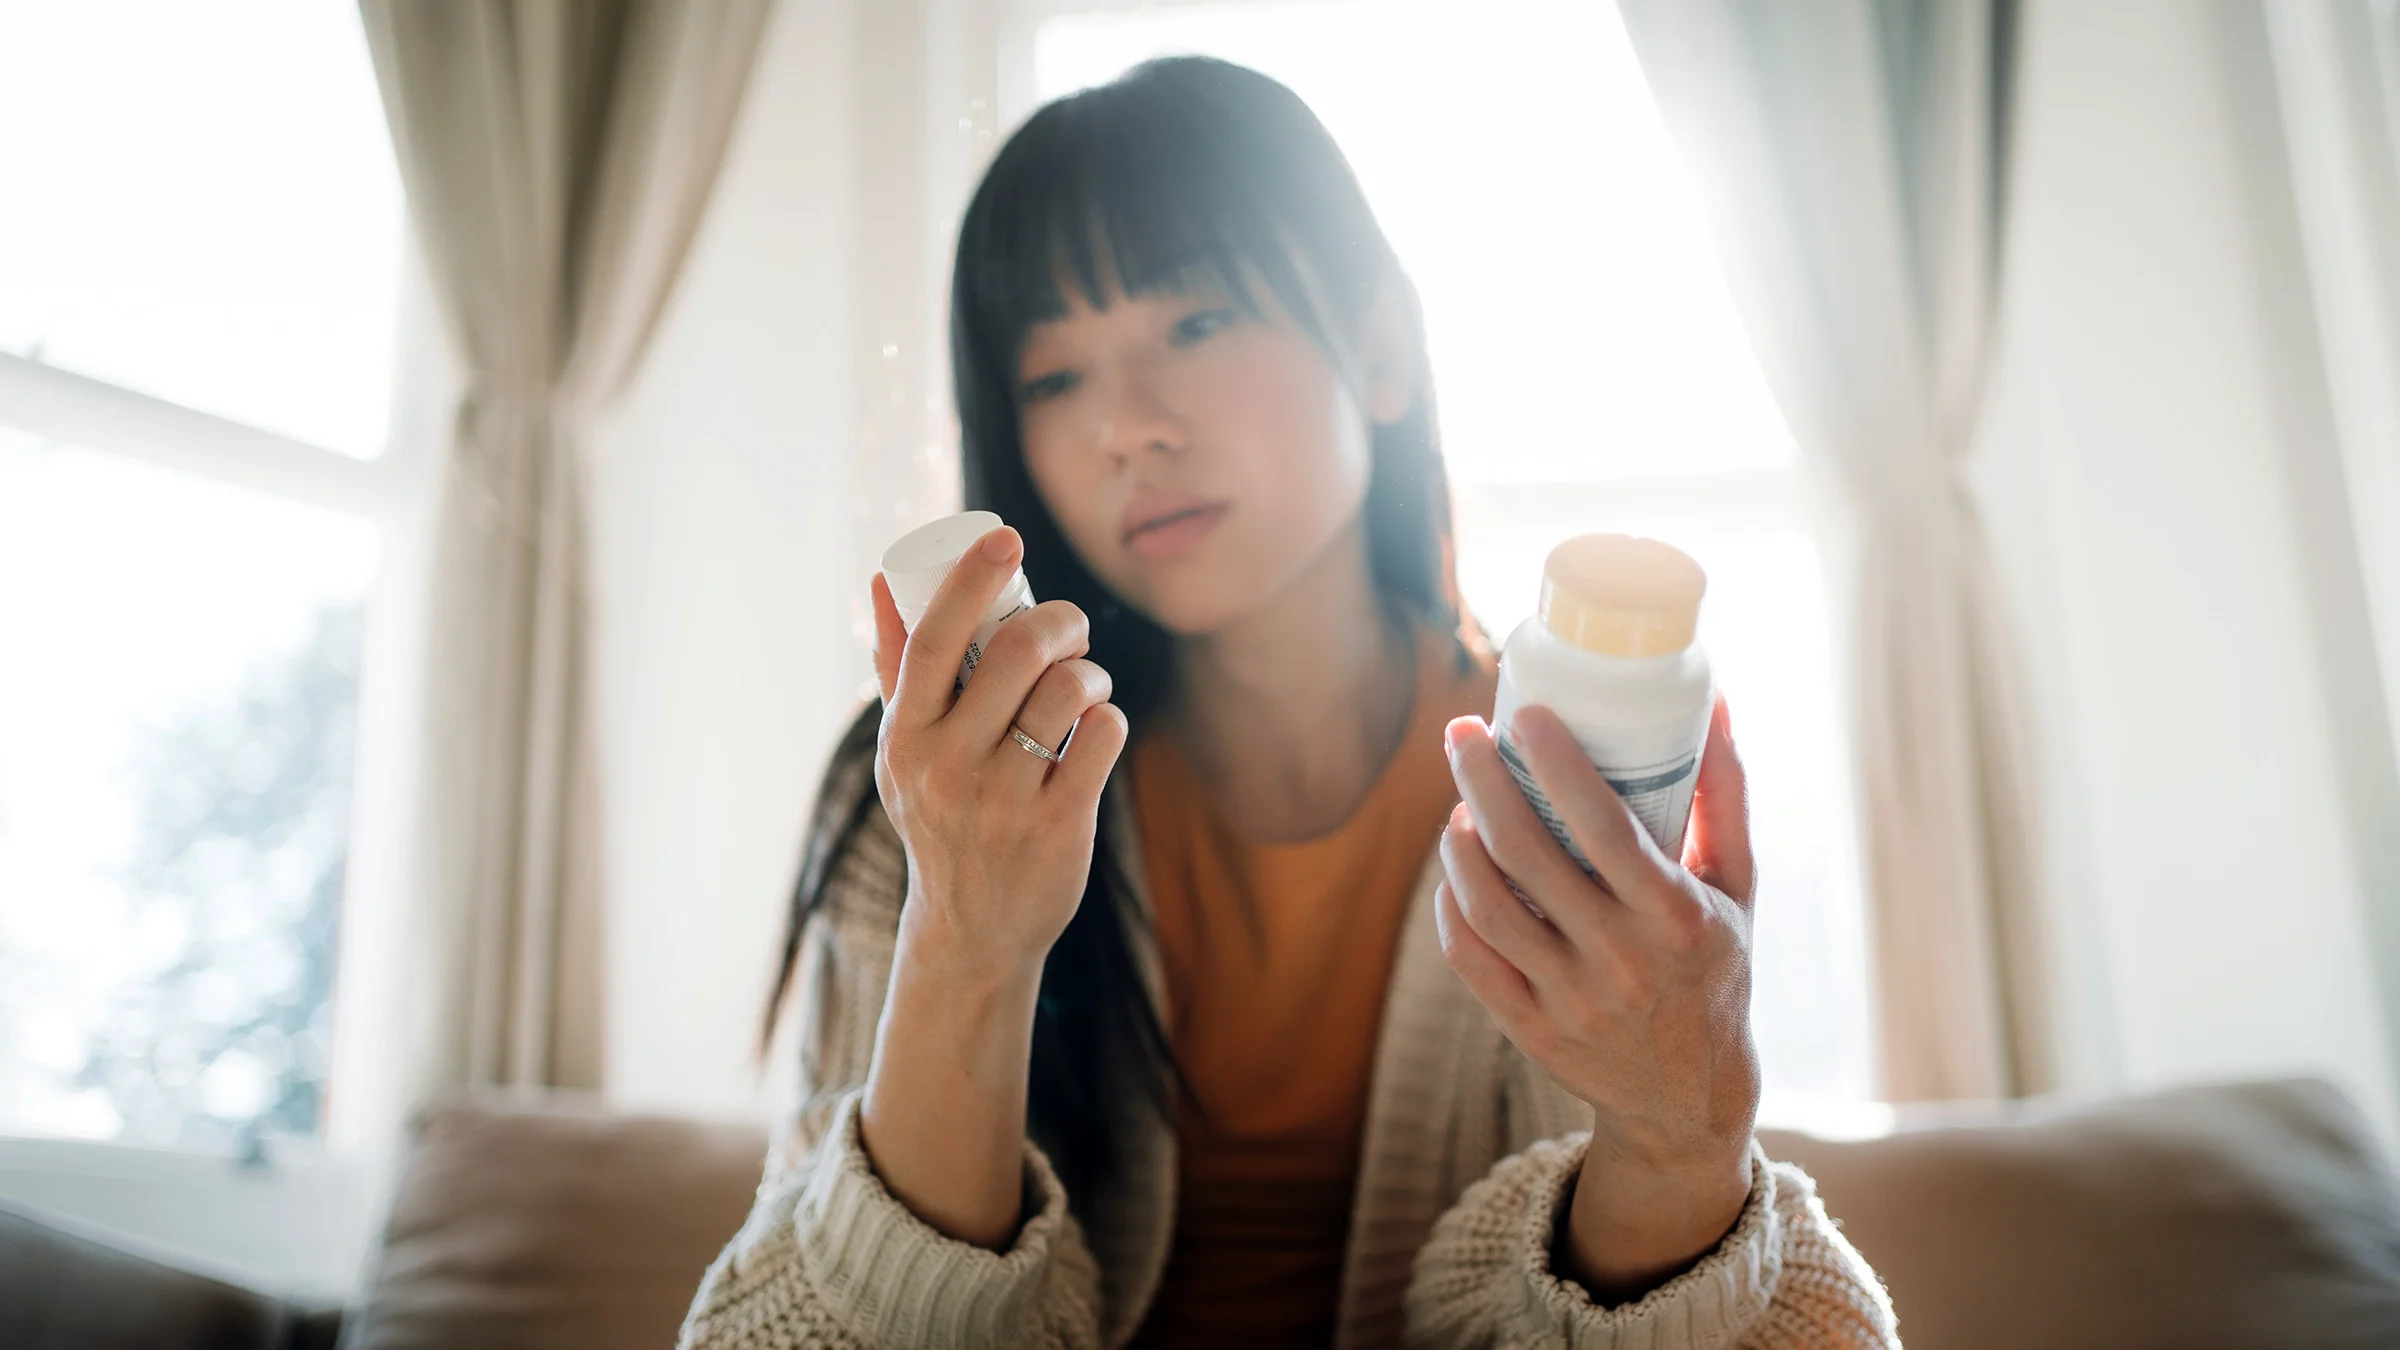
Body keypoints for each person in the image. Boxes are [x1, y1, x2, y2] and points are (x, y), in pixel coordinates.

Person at [681, 56, 1895, 1349]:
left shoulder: (1573, 782)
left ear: (1378, 345)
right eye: (1052, 378)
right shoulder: (953, 785)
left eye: (1194, 323)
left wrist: (1680, 1139)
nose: (1125, 429)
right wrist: (965, 941)